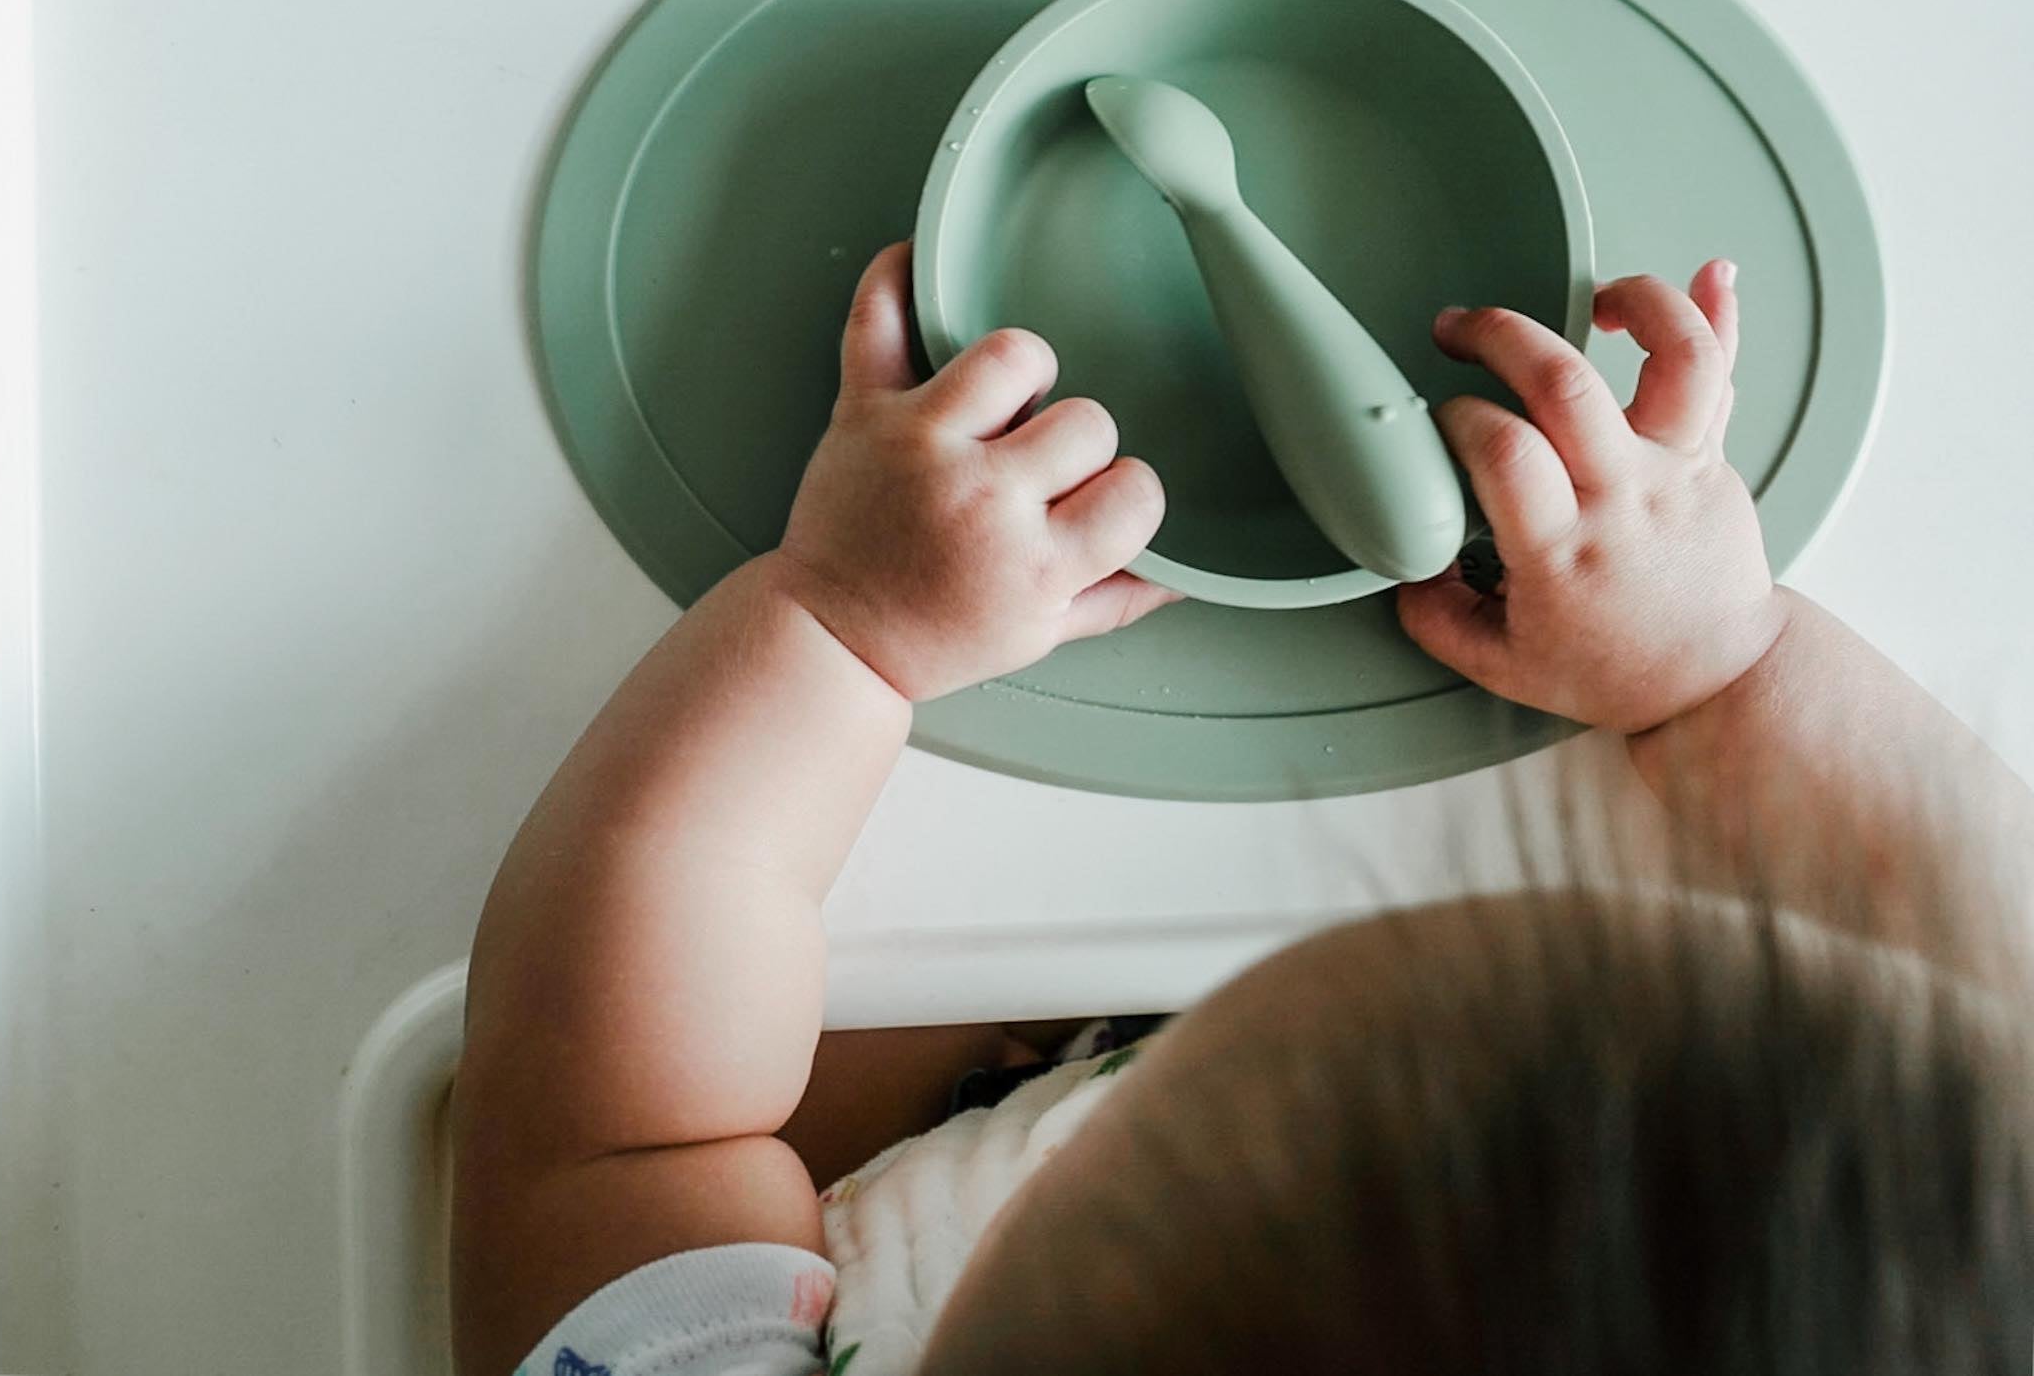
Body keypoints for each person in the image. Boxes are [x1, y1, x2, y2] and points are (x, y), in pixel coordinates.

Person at [450, 248, 2033, 1376]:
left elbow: (610, 1129)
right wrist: (1719, 667)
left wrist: (846, 625)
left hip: (904, 1117)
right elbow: (1992, 936)